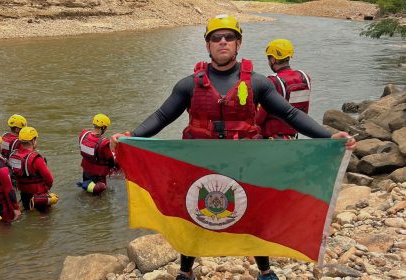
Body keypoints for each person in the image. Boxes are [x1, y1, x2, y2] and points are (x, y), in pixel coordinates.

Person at [110, 14, 356, 280]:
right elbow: (161, 117)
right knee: (193, 213)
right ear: (208, 45)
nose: (223, 42)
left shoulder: (258, 83)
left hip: (244, 162)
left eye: (229, 37)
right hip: (199, 163)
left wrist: (328, 137)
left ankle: (265, 270)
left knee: (255, 213)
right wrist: (130, 137)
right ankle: (186, 271)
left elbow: (291, 115)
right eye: (216, 38)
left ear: (238, 44)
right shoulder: (189, 84)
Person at [256, 39, 311, 139]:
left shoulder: (272, 81)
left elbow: (259, 119)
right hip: (293, 135)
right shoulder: (304, 77)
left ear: (273, 60)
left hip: (273, 138)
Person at [9, 126, 58, 212]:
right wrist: (46, 188)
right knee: (46, 219)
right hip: (39, 195)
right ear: (33, 140)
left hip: (24, 194)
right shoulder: (35, 158)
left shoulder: (13, 155)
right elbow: (49, 179)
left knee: (28, 212)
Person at [77, 113, 117, 195]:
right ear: (103, 127)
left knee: (87, 192)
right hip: (99, 176)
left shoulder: (83, 134)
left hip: (86, 172)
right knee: (100, 196)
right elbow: (110, 160)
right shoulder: (103, 143)